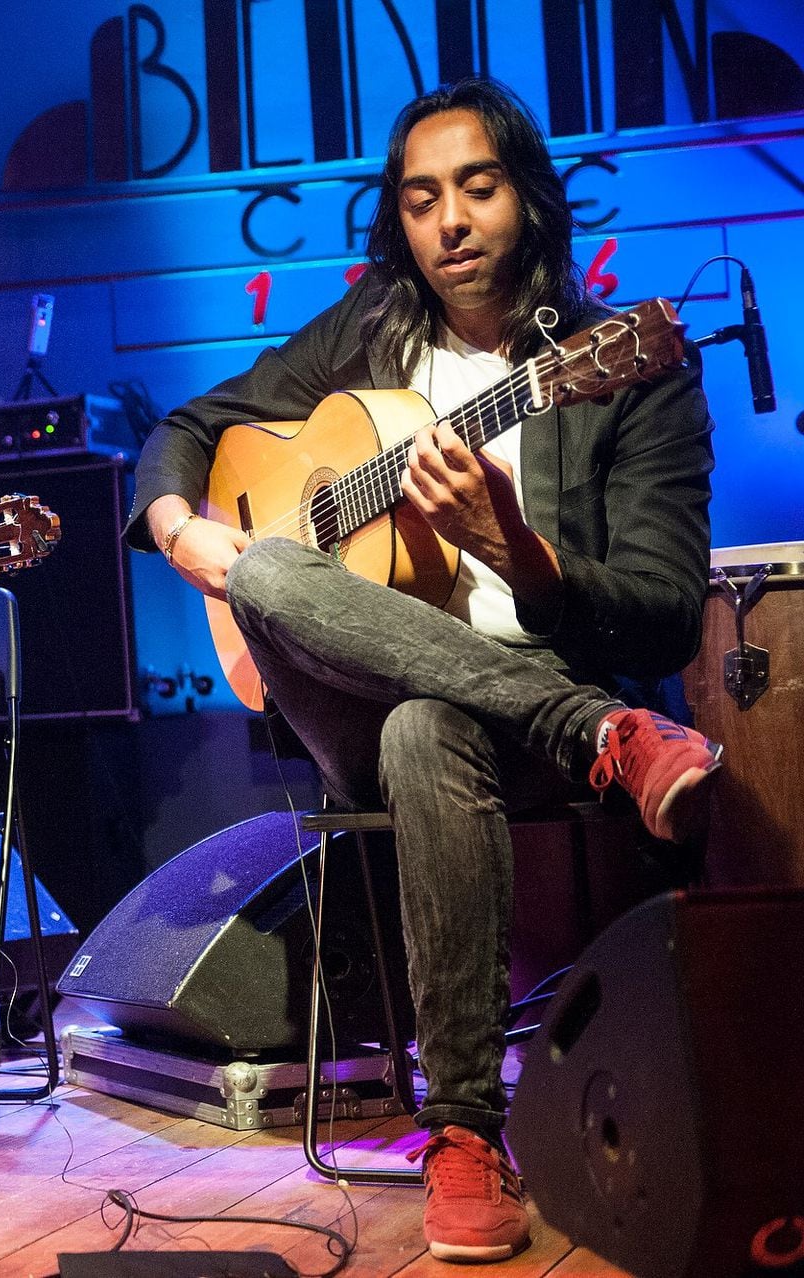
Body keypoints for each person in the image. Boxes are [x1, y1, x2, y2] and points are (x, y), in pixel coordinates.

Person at [125, 79, 720, 1262]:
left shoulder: (627, 367)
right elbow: (185, 430)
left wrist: (524, 558)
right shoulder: (370, 333)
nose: (449, 222)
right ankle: (600, 735)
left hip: (502, 695)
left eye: (478, 189)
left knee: (422, 734)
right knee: (268, 576)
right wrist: (181, 529)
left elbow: (661, 614)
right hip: (370, 687)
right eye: (420, 198)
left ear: (530, 201)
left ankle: (459, 1135)